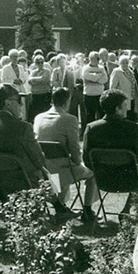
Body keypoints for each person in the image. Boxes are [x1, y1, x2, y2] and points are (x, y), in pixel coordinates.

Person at [0, 83, 76, 219]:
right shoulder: (23, 128)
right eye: (18, 101)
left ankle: (60, 207)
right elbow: (39, 160)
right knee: (47, 172)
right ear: (7, 103)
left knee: (45, 171)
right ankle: (60, 206)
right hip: (23, 182)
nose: (22, 105)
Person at [82, 89, 138, 217]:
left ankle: (89, 210)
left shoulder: (92, 128)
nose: (127, 109)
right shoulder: (133, 128)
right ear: (118, 108)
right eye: (125, 106)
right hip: (128, 179)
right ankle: (127, 210)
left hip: (102, 178)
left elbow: (87, 159)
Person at [33, 87, 97, 222]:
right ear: (67, 102)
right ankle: (87, 209)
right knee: (92, 173)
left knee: (64, 165)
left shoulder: (38, 118)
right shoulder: (69, 120)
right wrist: (78, 161)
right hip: (60, 171)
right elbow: (74, 150)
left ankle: (61, 208)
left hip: (45, 170)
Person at [80, 51, 108, 129]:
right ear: (91, 59)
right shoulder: (85, 68)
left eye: (98, 58)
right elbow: (86, 76)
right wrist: (99, 76)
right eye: (97, 58)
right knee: (90, 116)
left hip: (100, 95)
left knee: (102, 115)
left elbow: (105, 79)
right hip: (89, 95)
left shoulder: (101, 68)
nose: (98, 60)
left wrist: (94, 78)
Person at [27, 52, 53, 121]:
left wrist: (35, 80)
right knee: (35, 113)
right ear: (35, 64)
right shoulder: (33, 72)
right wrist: (39, 79)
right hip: (35, 95)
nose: (40, 64)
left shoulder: (47, 71)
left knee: (44, 112)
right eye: (38, 62)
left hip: (44, 94)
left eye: (42, 62)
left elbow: (44, 80)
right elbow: (29, 81)